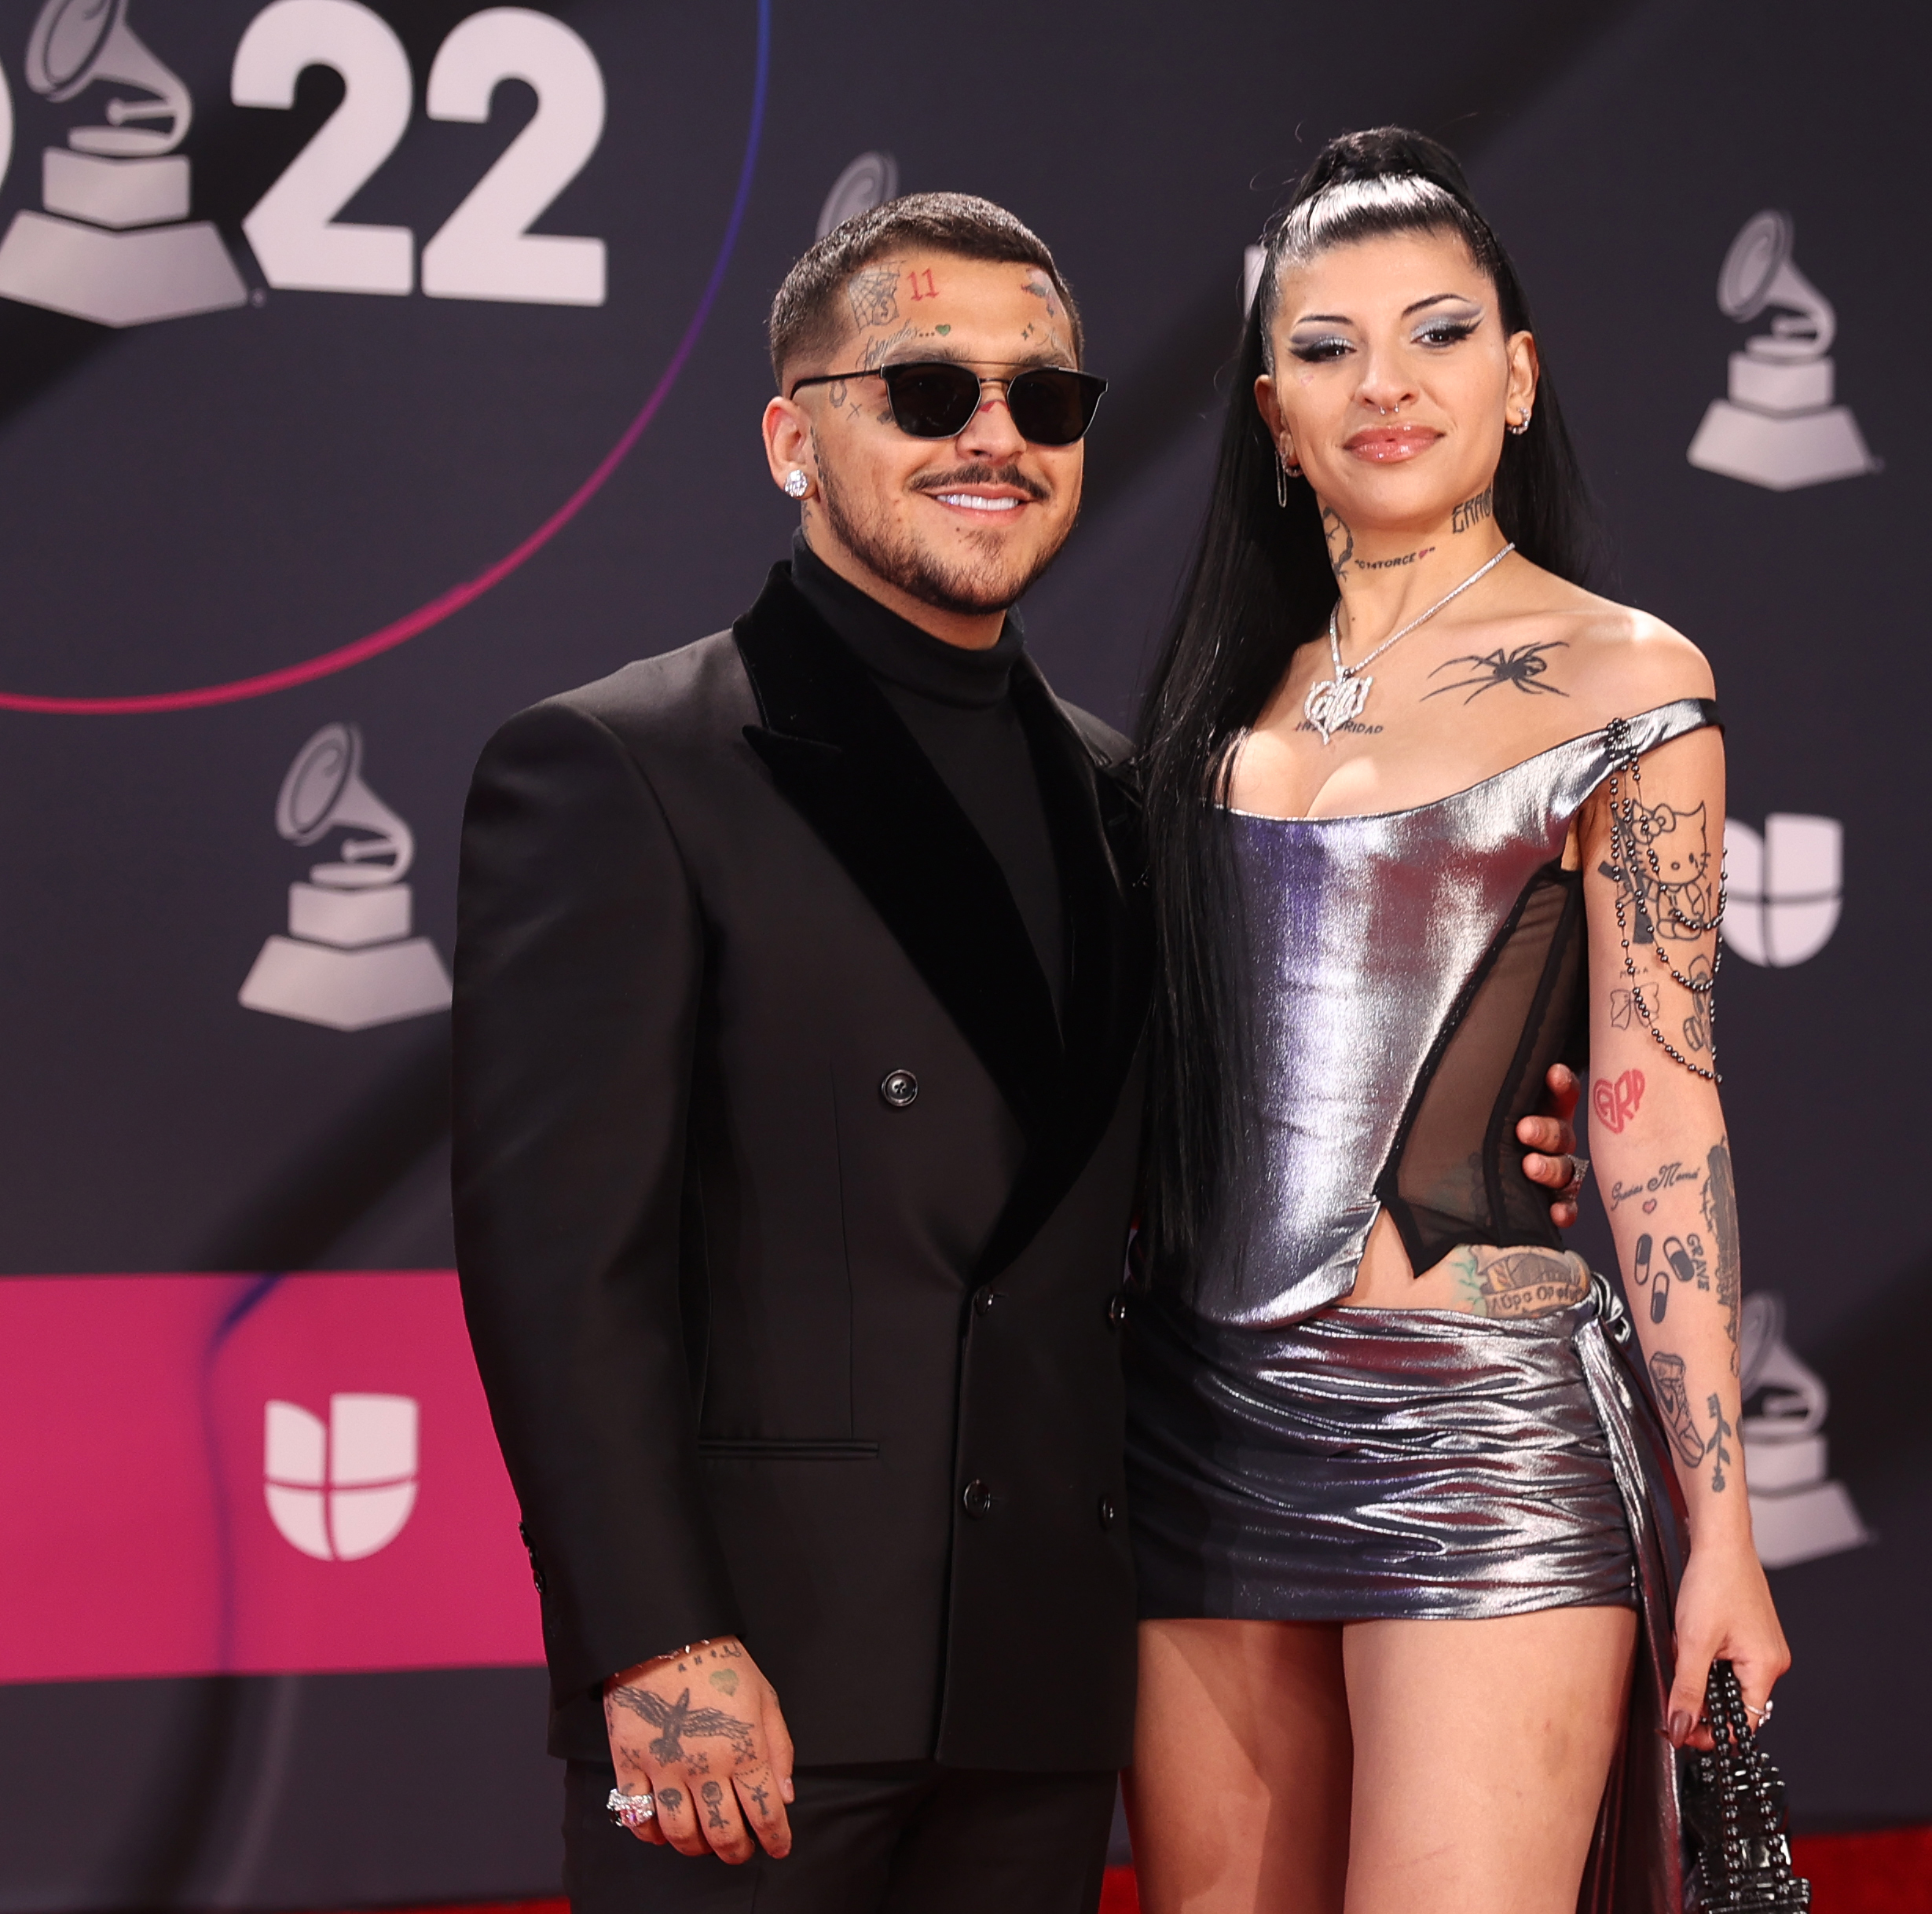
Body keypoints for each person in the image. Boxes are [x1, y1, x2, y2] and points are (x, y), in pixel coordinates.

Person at [451, 191, 1586, 1914]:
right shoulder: (624, 771)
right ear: (790, 437)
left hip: (1038, 1691)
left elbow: (1225, 1157)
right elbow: (560, 1272)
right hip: (755, 1686)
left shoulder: (1137, 798)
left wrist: (1488, 1147)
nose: (994, 438)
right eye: (926, 392)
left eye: (1043, 402)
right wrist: (652, 1641)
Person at [1123, 130, 1792, 1914]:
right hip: (1196, 1427)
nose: (1383, 384)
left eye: (1434, 333)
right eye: (1325, 347)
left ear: (1516, 377)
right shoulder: (1208, 713)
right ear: (1272, 411)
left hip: (1479, 1429)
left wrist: (1721, 1530)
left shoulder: (1629, 680)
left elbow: (1653, 1103)